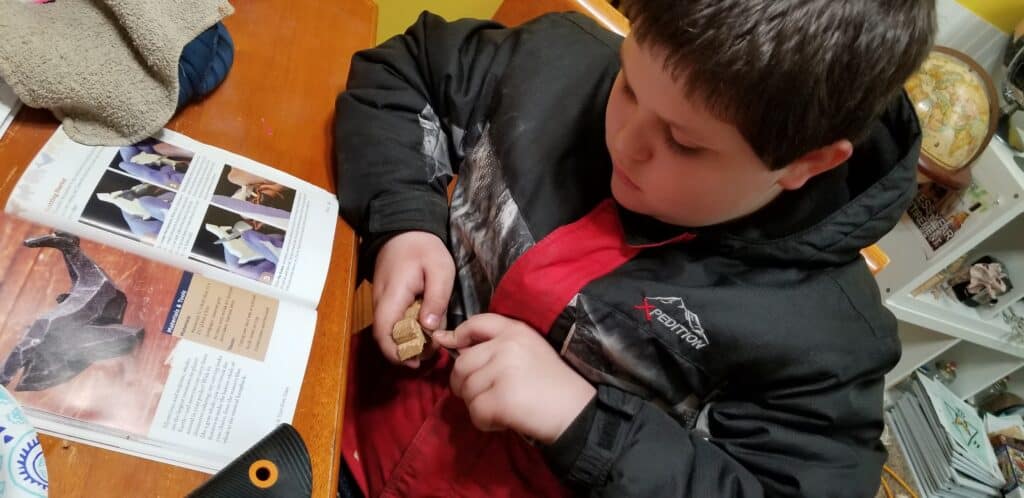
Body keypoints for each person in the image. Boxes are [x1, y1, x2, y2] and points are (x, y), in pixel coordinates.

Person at [334, 1, 936, 496]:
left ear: (806, 163)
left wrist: (586, 424)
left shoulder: (826, 343)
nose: (625, 140)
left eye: (683, 142)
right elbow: (401, 74)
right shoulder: (555, 63)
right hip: (345, 408)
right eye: (627, 82)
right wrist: (405, 221)